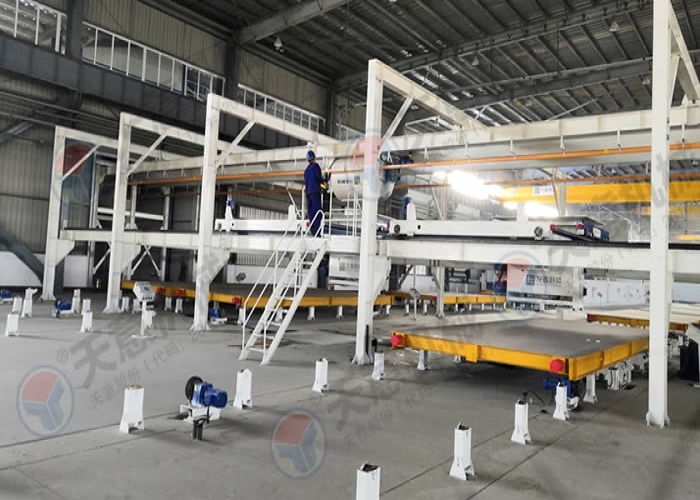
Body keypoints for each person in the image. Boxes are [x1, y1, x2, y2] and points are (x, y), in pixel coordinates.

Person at [304, 150, 326, 236]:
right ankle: (317, 231)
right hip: (315, 192)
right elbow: (318, 177)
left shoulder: (306, 170)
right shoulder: (315, 167)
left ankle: (313, 231)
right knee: (318, 212)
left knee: (311, 213)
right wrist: (324, 182)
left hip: (308, 193)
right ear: (314, 158)